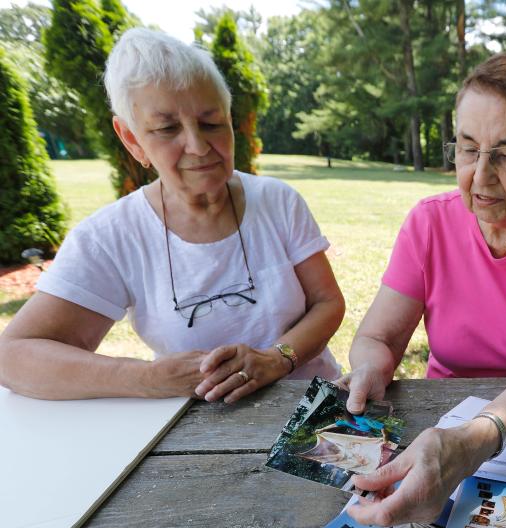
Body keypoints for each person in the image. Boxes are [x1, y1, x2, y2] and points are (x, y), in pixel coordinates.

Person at [0, 29, 344, 401]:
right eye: (167, 129)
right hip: (192, 427)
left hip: (310, 404)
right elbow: (13, 358)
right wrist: (146, 378)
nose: (198, 146)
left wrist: (277, 359)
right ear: (131, 139)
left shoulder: (277, 200)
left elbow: (327, 302)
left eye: (212, 123)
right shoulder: (110, 236)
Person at [339, 52, 506, 527]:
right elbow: (378, 338)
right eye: (467, 148)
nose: (480, 178)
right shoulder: (429, 223)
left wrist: (473, 441)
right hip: (440, 426)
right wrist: (370, 368)